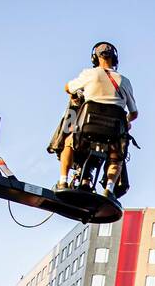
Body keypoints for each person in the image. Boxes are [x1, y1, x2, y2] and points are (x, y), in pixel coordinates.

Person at [55, 41, 138, 197]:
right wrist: (126, 121)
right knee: (116, 158)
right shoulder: (125, 81)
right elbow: (134, 113)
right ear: (115, 59)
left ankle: (63, 181)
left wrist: (74, 94)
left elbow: (67, 87)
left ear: (95, 58)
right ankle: (109, 189)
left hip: (86, 130)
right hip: (113, 134)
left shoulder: (90, 74)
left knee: (67, 142)